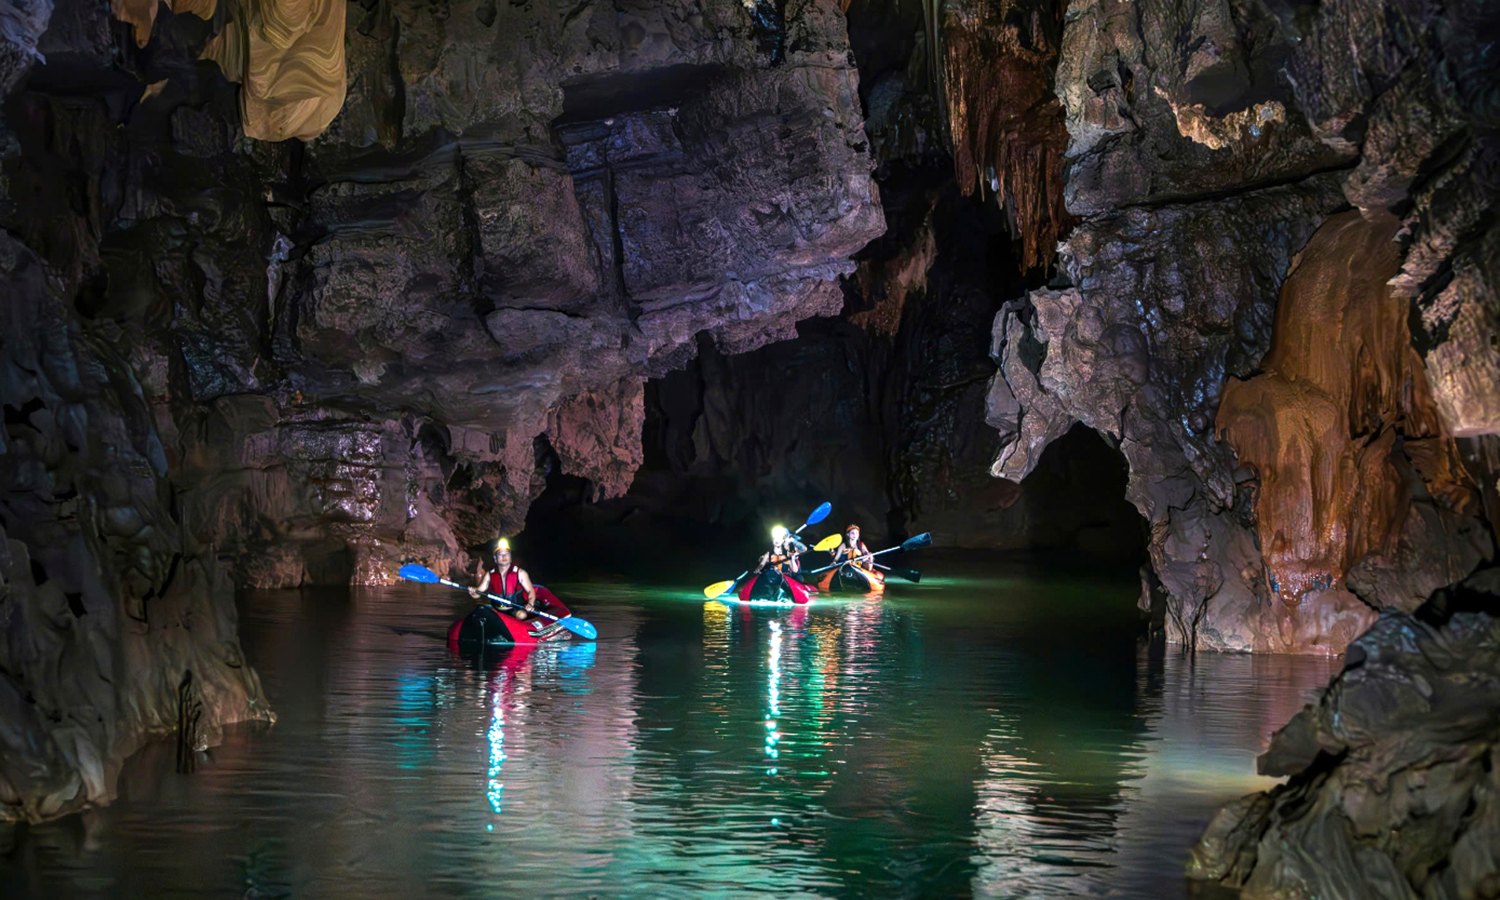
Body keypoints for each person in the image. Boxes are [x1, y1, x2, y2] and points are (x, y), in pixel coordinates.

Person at [470, 537, 543, 621]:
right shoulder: (489, 575)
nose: (504, 556)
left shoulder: (521, 573)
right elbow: (478, 593)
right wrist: (473, 592)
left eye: (507, 553)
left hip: (514, 609)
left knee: (522, 615)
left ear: (510, 556)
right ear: (495, 558)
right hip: (497, 609)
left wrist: (530, 603)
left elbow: (531, 591)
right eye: (500, 554)